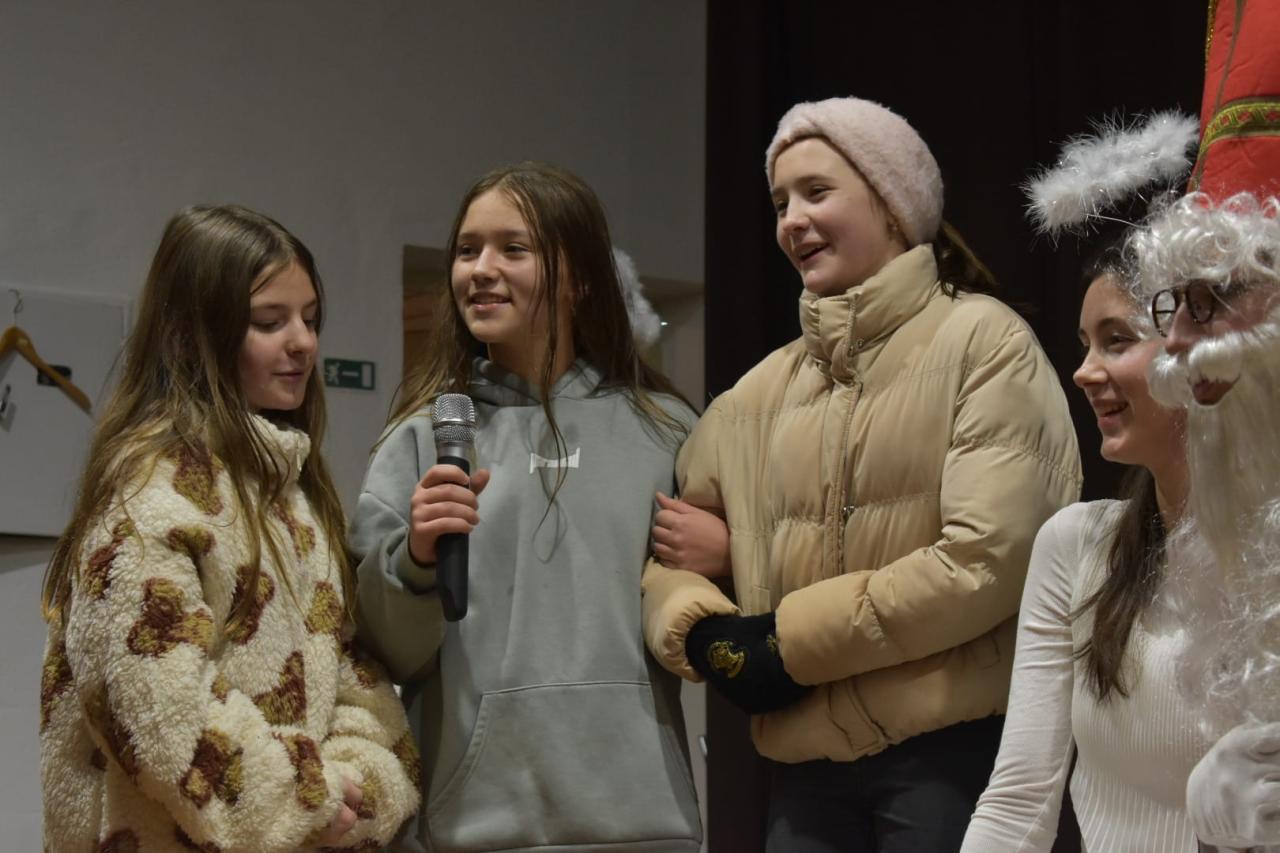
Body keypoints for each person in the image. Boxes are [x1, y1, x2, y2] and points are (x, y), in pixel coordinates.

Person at [642, 96, 1081, 852]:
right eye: (780, 202)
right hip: (805, 778)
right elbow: (666, 551)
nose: (792, 220)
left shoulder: (984, 342)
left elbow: (988, 558)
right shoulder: (752, 398)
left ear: (893, 205)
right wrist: (707, 631)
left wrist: (782, 642)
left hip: (951, 761)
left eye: (817, 192)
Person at [39, 205, 420, 852]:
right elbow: (159, 707)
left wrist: (360, 784)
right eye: (270, 322)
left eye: (310, 318)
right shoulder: (149, 499)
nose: (303, 342)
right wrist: (309, 798)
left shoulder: (297, 496)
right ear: (194, 335)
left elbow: (355, 675)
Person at [349, 162, 703, 853]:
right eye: (466, 250)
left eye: (513, 248)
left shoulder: (667, 430)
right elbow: (380, 653)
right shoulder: (419, 440)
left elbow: (718, 614)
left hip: (642, 820)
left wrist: (724, 555)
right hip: (473, 825)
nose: (481, 270)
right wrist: (415, 559)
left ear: (580, 278)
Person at [960, 245, 1204, 850]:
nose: (1085, 372)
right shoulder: (1075, 543)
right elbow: (1018, 800)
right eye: (1086, 344)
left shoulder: (1265, 557)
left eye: (1117, 340)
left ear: (1204, 352)